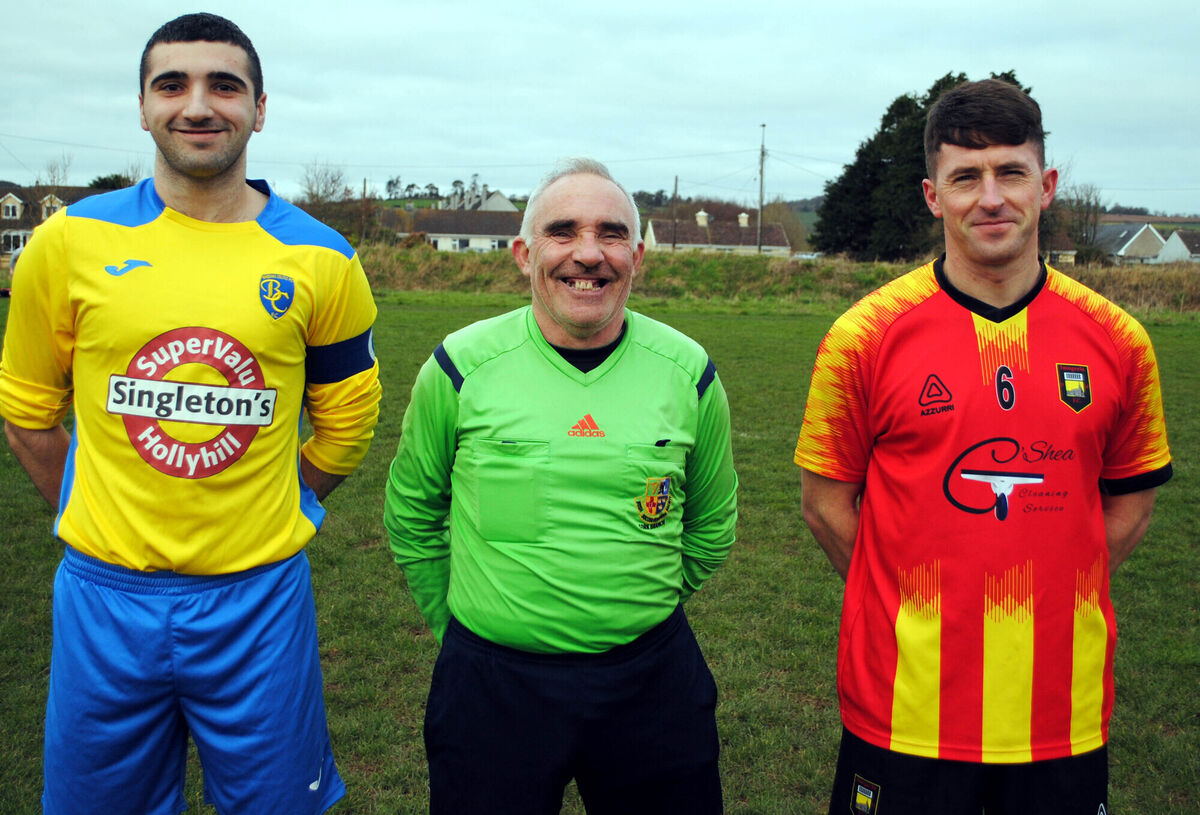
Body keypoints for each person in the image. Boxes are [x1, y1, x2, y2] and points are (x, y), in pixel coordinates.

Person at [0, 13, 381, 814]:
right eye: (172, 84)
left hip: (258, 600)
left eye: (225, 86)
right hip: (104, 599)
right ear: (142, 106)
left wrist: (287, 502)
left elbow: (346, 421)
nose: (198, 105)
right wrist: (83, 507)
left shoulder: (322, 258)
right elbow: (29, 412)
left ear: (261, 107)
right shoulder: (67, 241)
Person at [794, 78, 1173, 815]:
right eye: (966, 176)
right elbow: (823, 505)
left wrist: (1055, 580)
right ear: (934, 195)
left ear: (1048, 185)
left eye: (1010, 171)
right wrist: (908, 597)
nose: (990, 196)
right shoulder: (863, 336)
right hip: (902, 711)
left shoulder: (1120, 340)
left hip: (1058, 718)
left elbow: (1130, 504)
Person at [384, 157, 738, 814]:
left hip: (651, 682)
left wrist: (634, 602)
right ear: (523, 253)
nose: (587, 254)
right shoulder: (459, 366)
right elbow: (411, 514)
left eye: (609, 234)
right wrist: (464, 626)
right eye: (563, 231)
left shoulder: (687, 371)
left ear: (637, 256)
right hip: (491, 686)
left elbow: (713, 522)